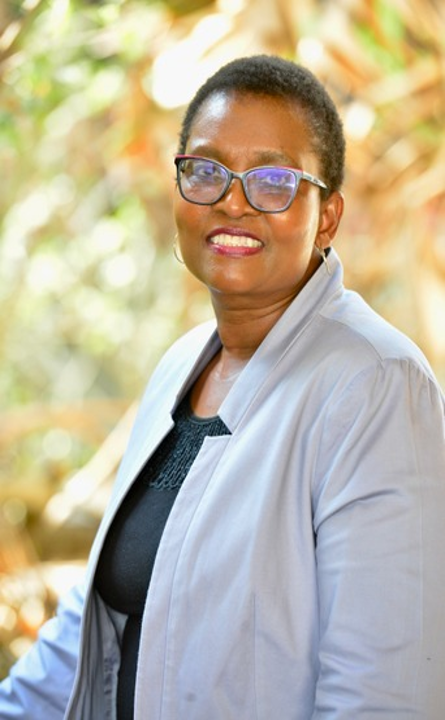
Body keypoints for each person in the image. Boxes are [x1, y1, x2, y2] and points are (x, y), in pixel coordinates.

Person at [0, 54, 444, 720]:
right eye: (206, 171)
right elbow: (94, 630)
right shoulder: (181, 367)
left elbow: (383, 695)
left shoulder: (376, 386)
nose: (232, 201)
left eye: (273, 180)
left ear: (327, 216)